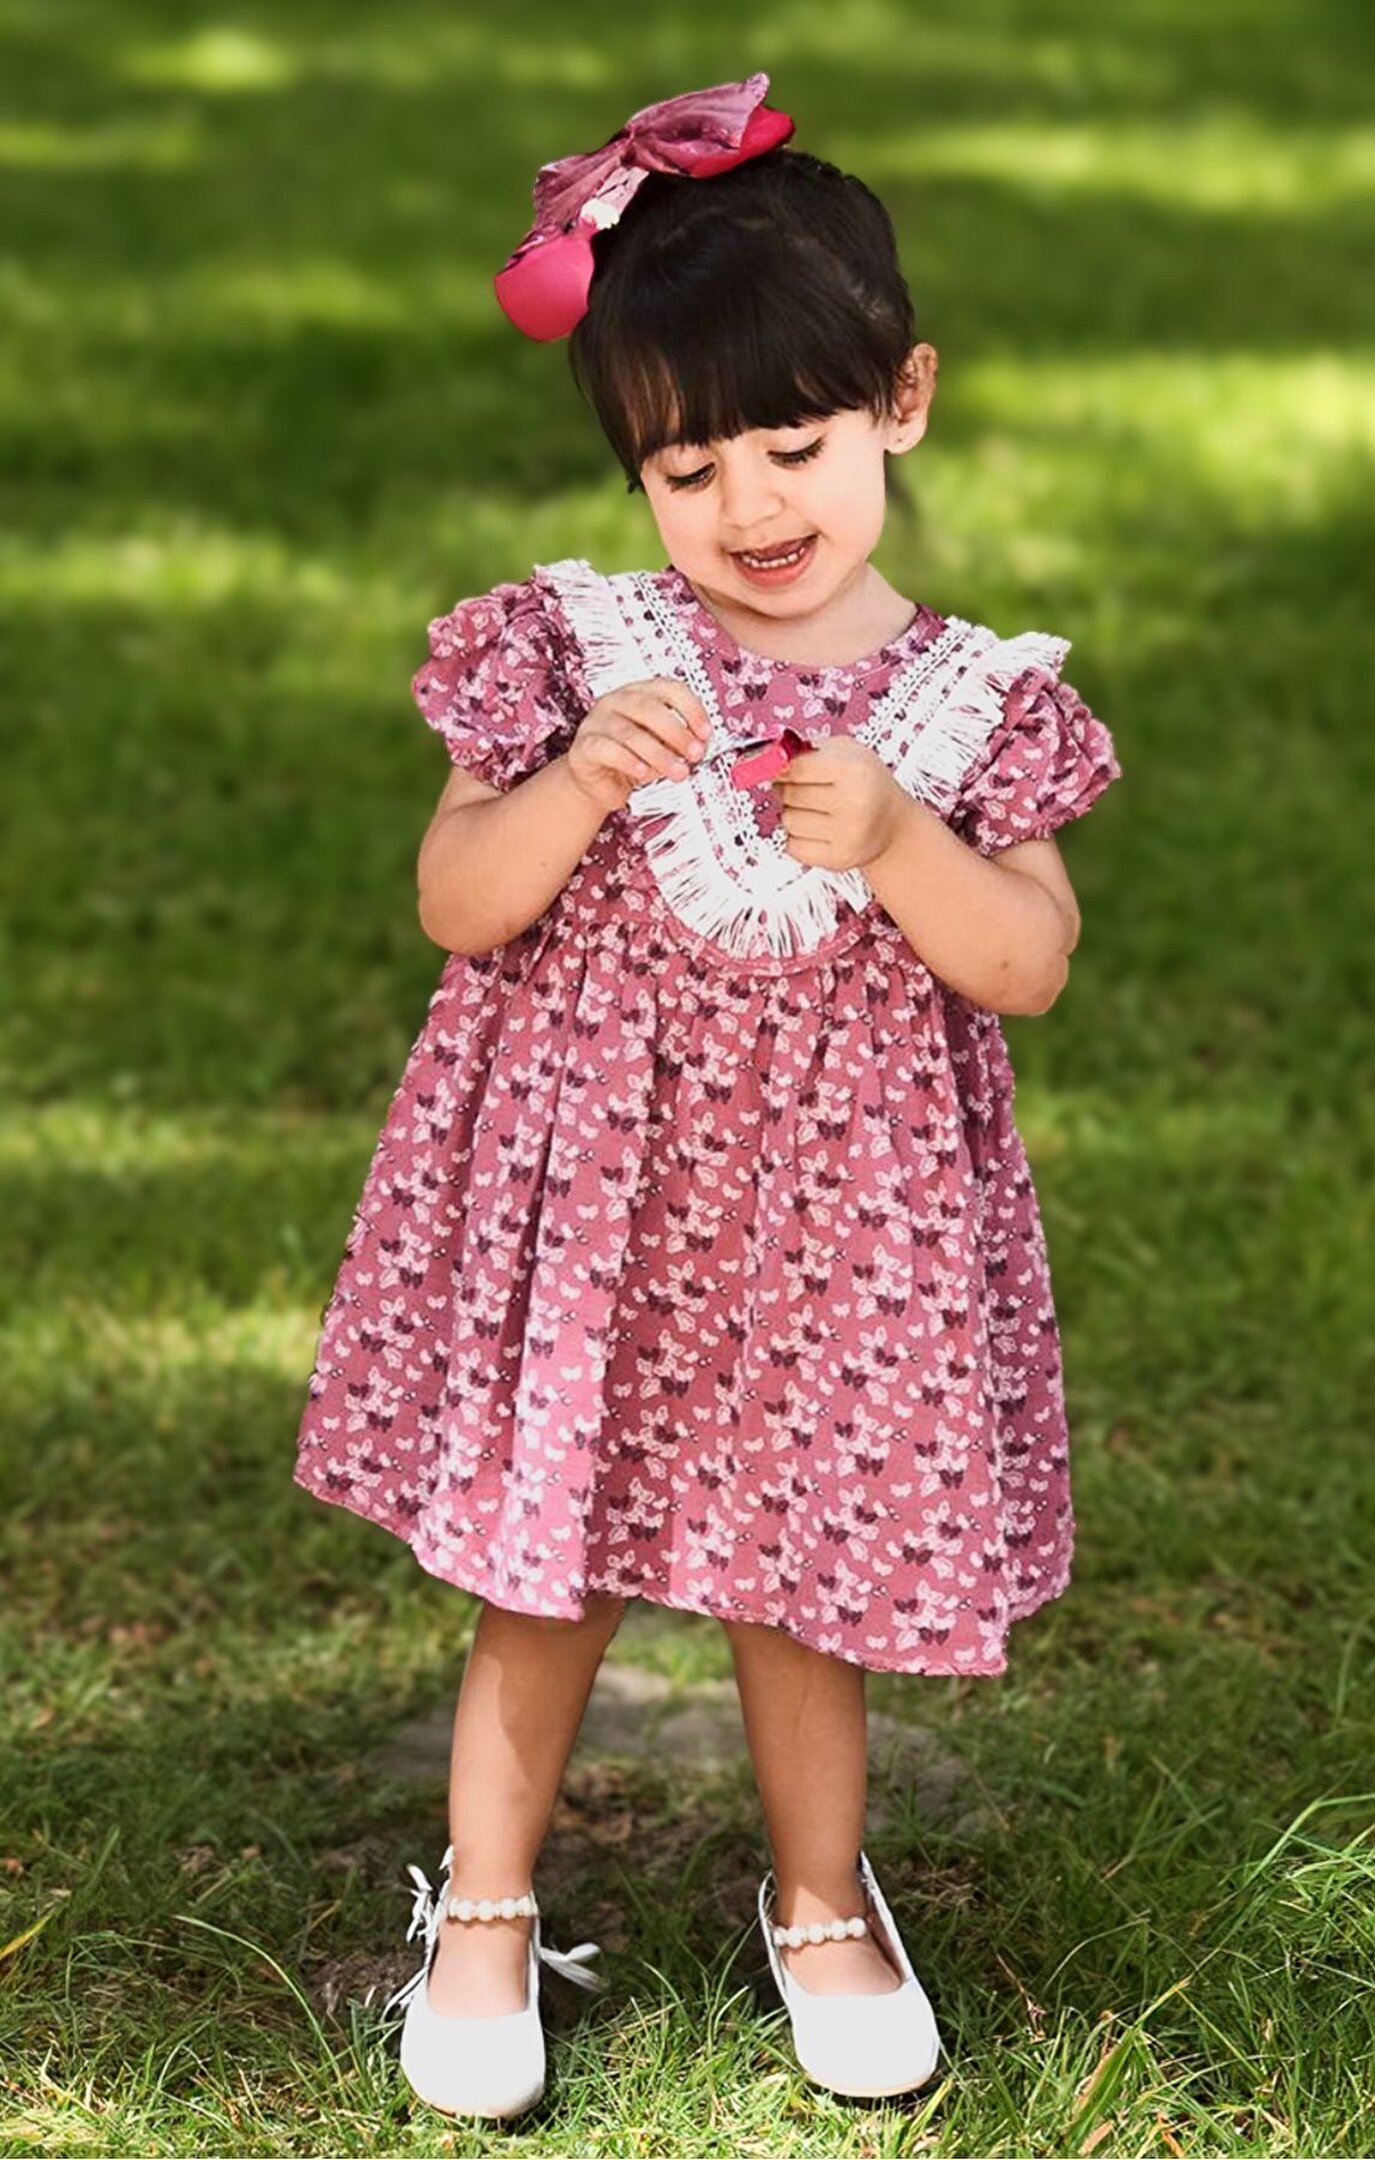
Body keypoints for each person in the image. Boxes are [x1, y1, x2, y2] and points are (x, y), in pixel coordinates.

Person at [292, 73, 1122, 2121]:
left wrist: (906, 843)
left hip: (835, 1241)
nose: (749, 503)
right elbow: (455, 906)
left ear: (901, 402)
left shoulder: (970, 703)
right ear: (634, 470)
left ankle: (822, 1899)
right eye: (688, 464)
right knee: (545, 1576)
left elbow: (1027, 960)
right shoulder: (577, 651)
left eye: (793, 444)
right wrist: (575, 782)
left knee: (800, 1580)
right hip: (605, 1219)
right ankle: (486, 1903)